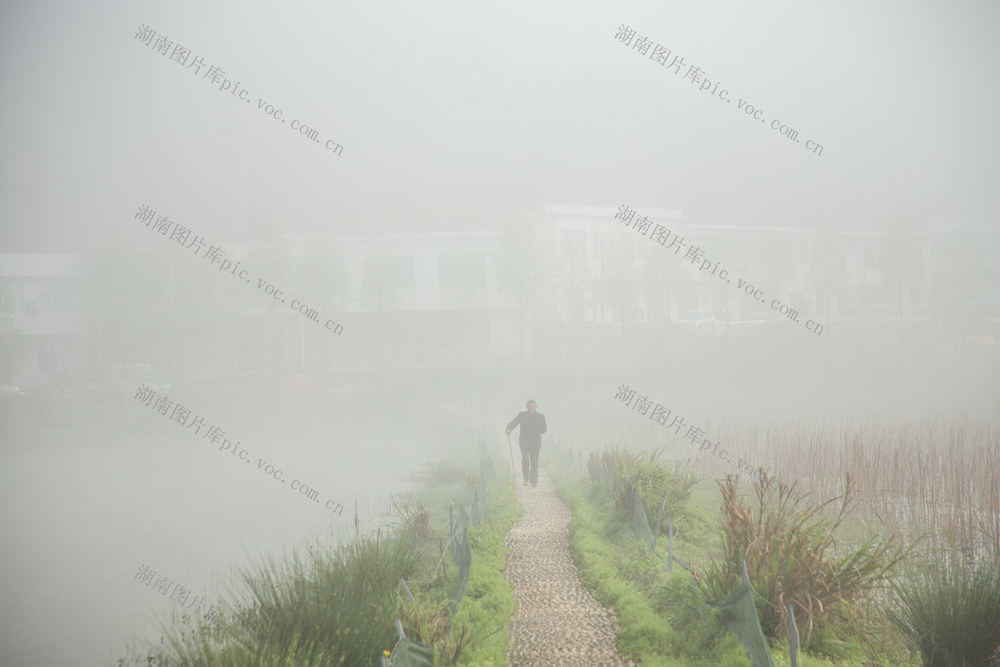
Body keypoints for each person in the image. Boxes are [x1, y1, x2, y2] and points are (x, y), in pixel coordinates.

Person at [505, 399, 547, 487]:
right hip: (524, 441)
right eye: (529, 407)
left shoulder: (540, 416)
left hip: (535, 442)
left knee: (534, 460)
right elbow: (514, 423)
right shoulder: (522, 415)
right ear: (526, 407)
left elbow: (544, 429)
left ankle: (534, 481)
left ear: (536, 406)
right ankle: (526, 479)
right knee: (525, 459)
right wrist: (509, 428)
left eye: (532, 406)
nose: (530, 408)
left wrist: (536, 433)